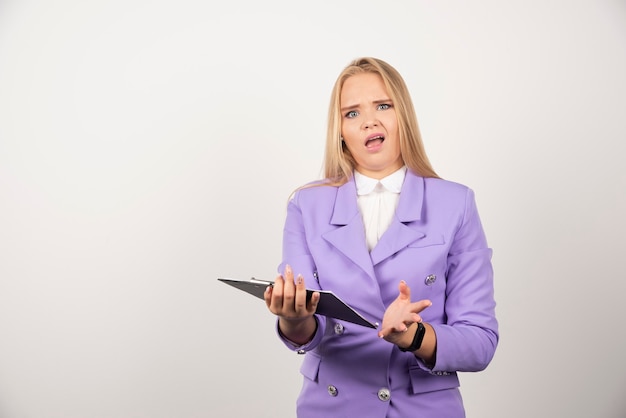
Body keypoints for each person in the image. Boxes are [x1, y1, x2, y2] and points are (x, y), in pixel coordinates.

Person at [264, 57, 498, 418]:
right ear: (339, 129)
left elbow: (480, 341)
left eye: (383, 106)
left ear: (402, 115)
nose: (369, 120)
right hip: (331, 407)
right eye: (352, 113)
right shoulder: (305, 205)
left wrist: (415, 337)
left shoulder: (457, 203)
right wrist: (292, 318)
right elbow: (310, 325)